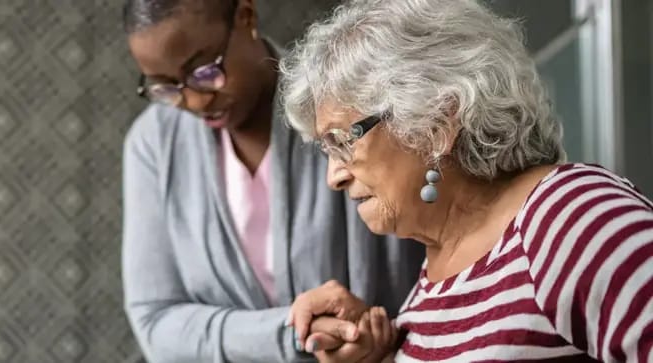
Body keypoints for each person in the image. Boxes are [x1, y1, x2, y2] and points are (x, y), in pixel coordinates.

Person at [280, 0, 653, 361]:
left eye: (343, 141)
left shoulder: (568, 215)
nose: (334, 177)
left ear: (436, 125)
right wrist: (376, 355)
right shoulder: (434, 275)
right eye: (325, 150)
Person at [119, 0, 424, 361]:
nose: (195, 100)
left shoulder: (349, 106)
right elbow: (156, 321)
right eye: (166, 87)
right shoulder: (154, 144)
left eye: (203, 71)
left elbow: (435, 257)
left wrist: (374, 343)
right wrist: (295, 332)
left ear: (246, 16)